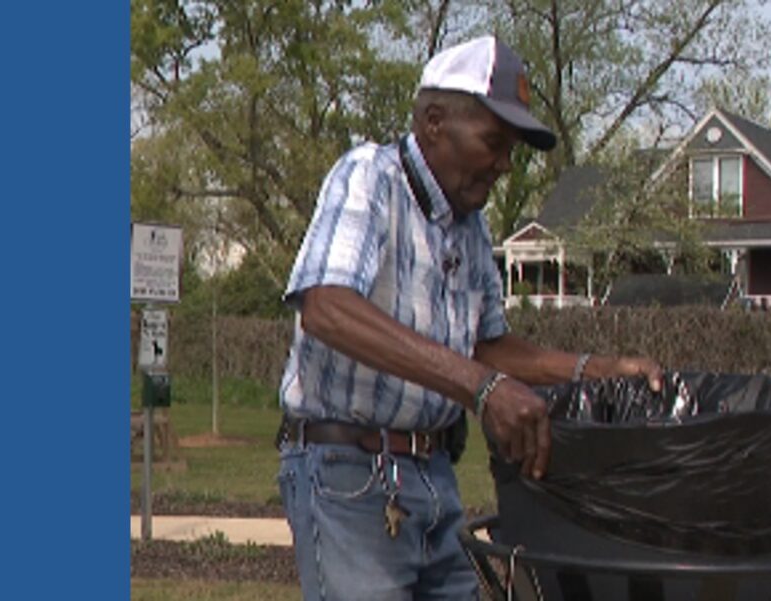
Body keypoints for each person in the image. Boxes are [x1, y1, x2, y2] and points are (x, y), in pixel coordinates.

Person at [275, 35, 663, 601]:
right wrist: (483, 390)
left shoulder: (471, 226)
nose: (505, 164)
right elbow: (326, 307)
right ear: (434, 122)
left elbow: (486, 347)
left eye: (511, 149)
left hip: (432, 475)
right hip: (348, 474)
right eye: (493, 142)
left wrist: (595, 369)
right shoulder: (370, 178)